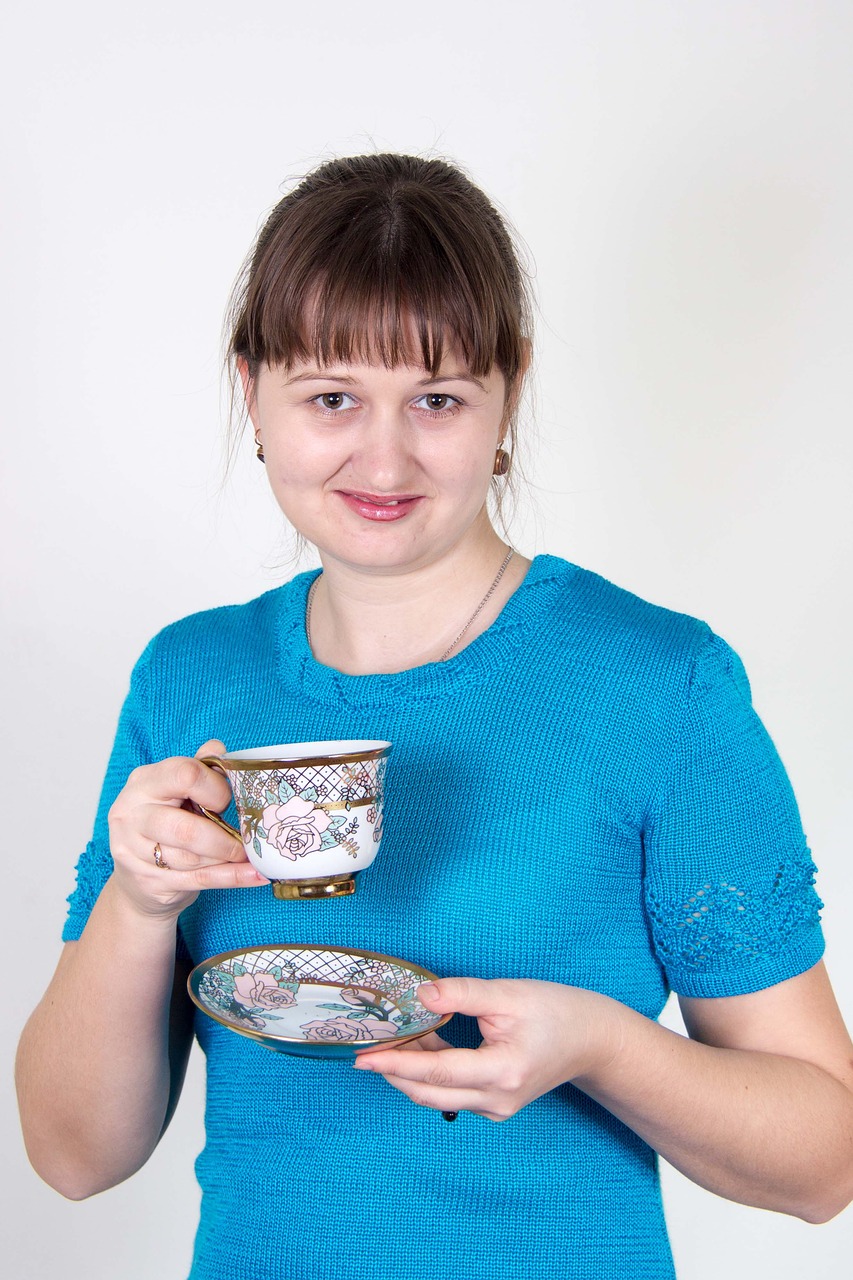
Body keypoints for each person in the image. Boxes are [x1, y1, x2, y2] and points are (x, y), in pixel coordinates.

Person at [16, 153, 853, 1280]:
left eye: (438, 399)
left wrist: (602, 1046)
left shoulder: (661, 684)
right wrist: (139, 896)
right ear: (250, 390)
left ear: (508, 393)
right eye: (330, 398)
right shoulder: (189, 679)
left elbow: (821, 1160)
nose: (384, 454)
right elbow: (73, 1156)